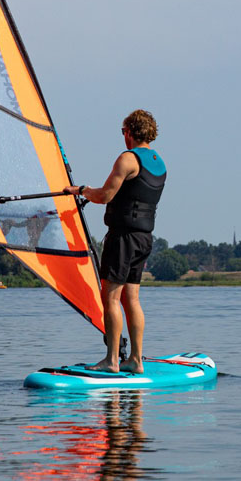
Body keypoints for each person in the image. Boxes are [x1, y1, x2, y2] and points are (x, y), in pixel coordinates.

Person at [64, 109, 166, 373]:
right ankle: (136, 359)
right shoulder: (159, 162)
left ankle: (111, 361)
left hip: (122, 238)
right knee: (131, 298)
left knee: (110, 296)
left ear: (130, 132)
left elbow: (105, 196)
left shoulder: (127, 159)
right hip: (144, 239)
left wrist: (82, 190)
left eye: (123, 132)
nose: (123, 137)